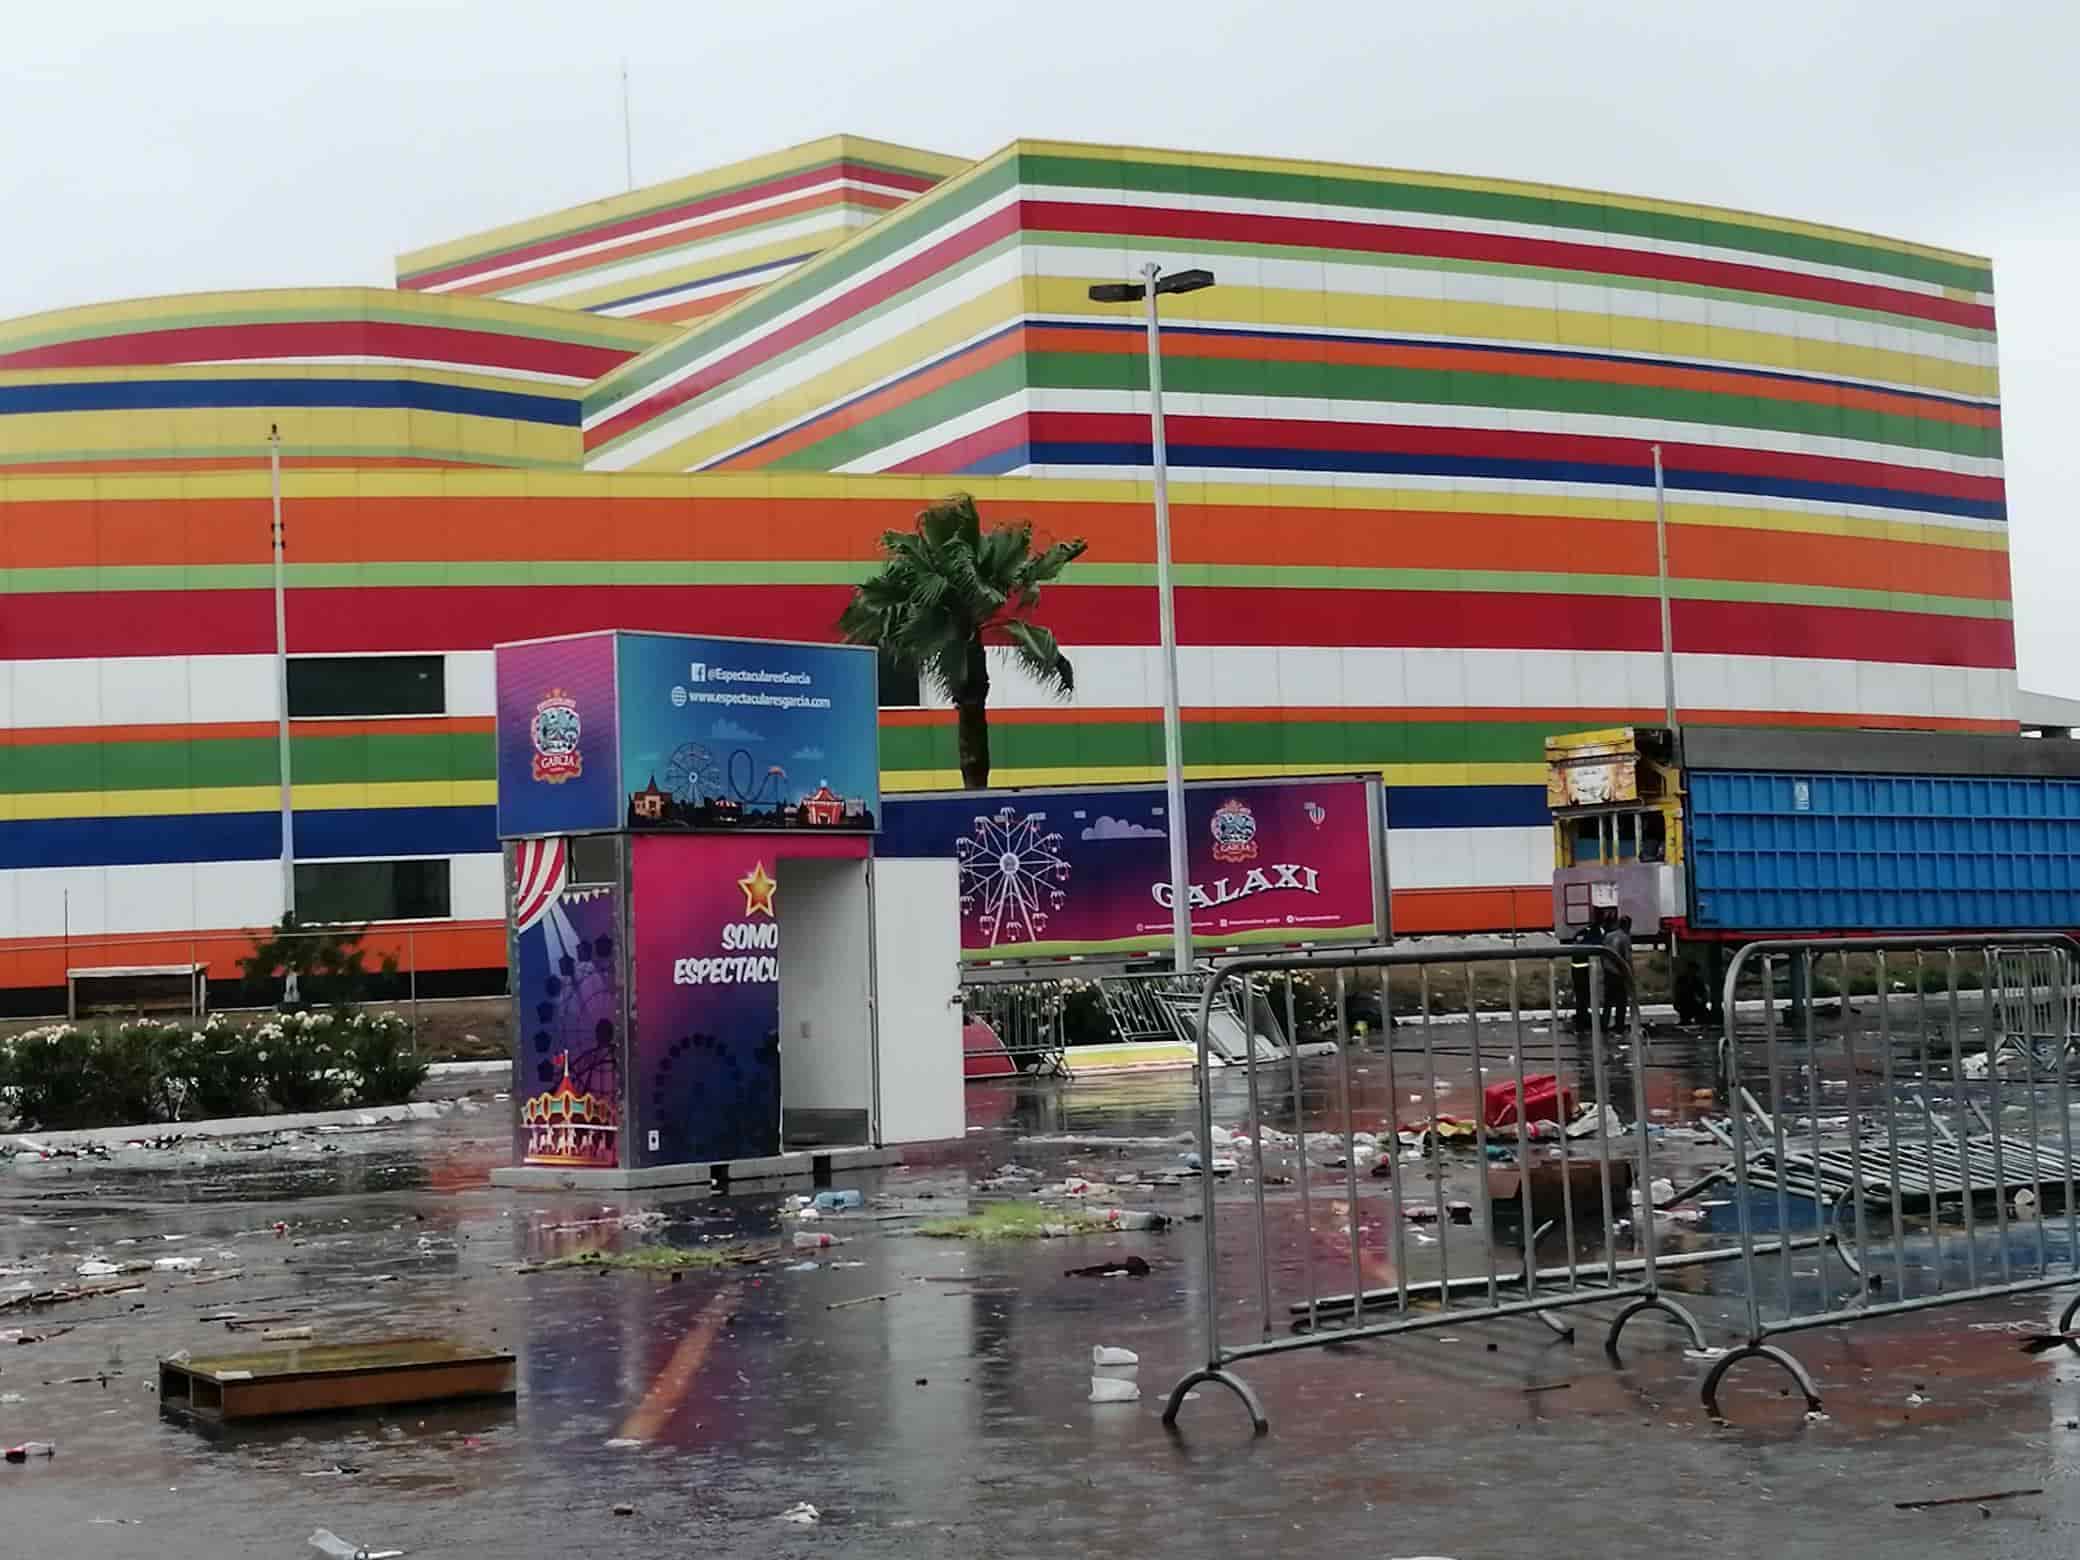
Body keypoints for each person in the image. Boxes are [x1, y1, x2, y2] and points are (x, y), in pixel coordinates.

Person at [1601, 913, 1635, 1033]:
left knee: (1608, 1002)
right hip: (1619, 974)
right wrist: (1631, 975)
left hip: (1608, 972)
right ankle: (1619, 1026)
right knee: (1621, 1002)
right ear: (1628, 926)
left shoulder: (1608, 936)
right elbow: (1627, 958)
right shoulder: (1625, 938)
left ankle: (1603, 1025)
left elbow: (1602, 954)